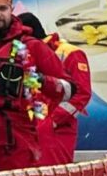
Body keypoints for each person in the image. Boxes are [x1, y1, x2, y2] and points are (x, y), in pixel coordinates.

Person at [0, 0, 70, 174]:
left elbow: (68, 90)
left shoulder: (31, 46)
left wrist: (35, 80)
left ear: (11, 10)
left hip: (16, 142)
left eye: (2, 8)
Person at [16, 13, 92, 165]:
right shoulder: (23, 55)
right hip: (27, 128)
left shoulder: (69, 53)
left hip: (56, 130)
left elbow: (82, 93)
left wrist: (53, 121)